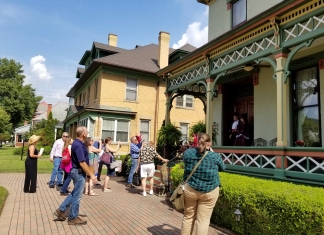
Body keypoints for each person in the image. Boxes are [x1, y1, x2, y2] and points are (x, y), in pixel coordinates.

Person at [181, 133, 226, 235]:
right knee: (203, 221)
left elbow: (185, 161)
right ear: (209, 143)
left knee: (188, 217)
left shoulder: (188, 153)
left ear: (197, 141)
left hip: (191, 189)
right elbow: (223, 168)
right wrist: (211, 151)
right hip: (210, 191)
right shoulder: (215, 156)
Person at [53, 126, 97, 225]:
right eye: (87, 132)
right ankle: (73, 218)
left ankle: (61, 210)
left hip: (76, 171)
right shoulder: (79, 145)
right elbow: (81, 162)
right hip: (78, 172)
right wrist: (92, 175)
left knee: (74, 193)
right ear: (83, 134)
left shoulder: (77, 143)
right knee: (77, 196)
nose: (88, 133)